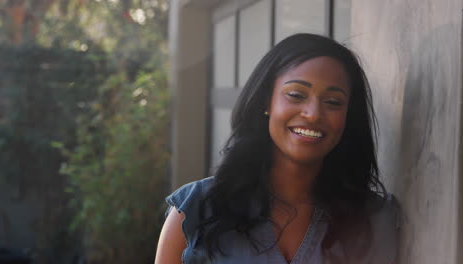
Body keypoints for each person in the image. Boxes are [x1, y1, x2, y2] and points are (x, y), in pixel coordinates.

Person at [155, 33, 400, 264]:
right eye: (296, 94)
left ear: (348, 117)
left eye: (333, 102)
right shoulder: (196, 210)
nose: (313, 114)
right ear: (266, 101)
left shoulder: (373, 220)